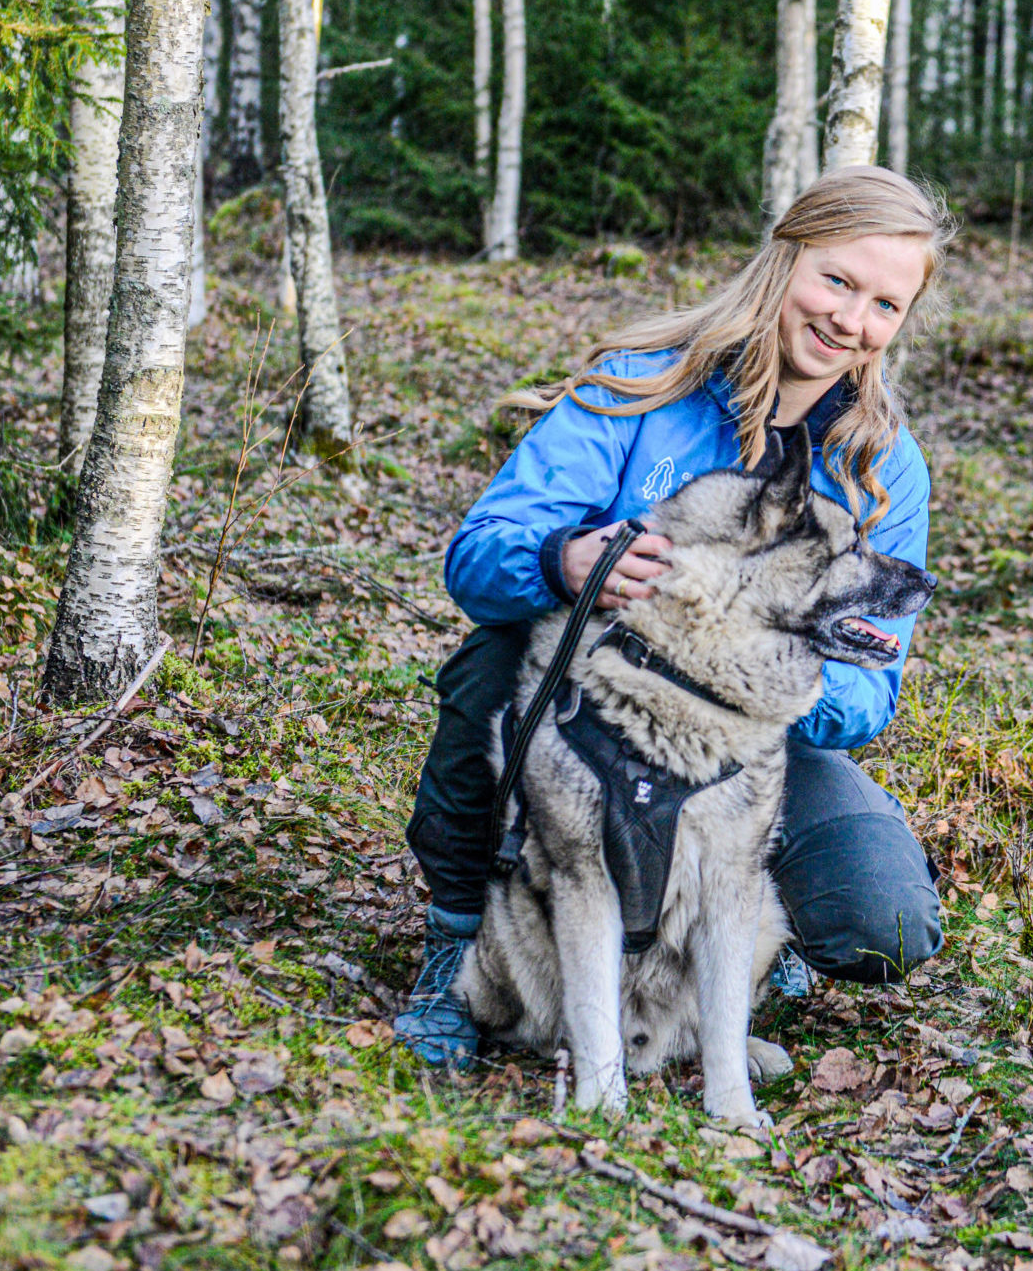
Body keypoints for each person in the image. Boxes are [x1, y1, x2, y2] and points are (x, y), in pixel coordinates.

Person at [395, 166, 957, 1065]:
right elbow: (480, 553)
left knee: (882, 916)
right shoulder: (645, 385)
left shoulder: (884, 468)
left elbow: (866, 697)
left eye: (886, 305)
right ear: (785, 259)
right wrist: (565, 561)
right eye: (838, 281)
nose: (852, 320)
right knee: (492, 662)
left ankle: (738, 950)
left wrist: (747, 660)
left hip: (754, 743)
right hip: (598, 712)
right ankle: (460, 945)